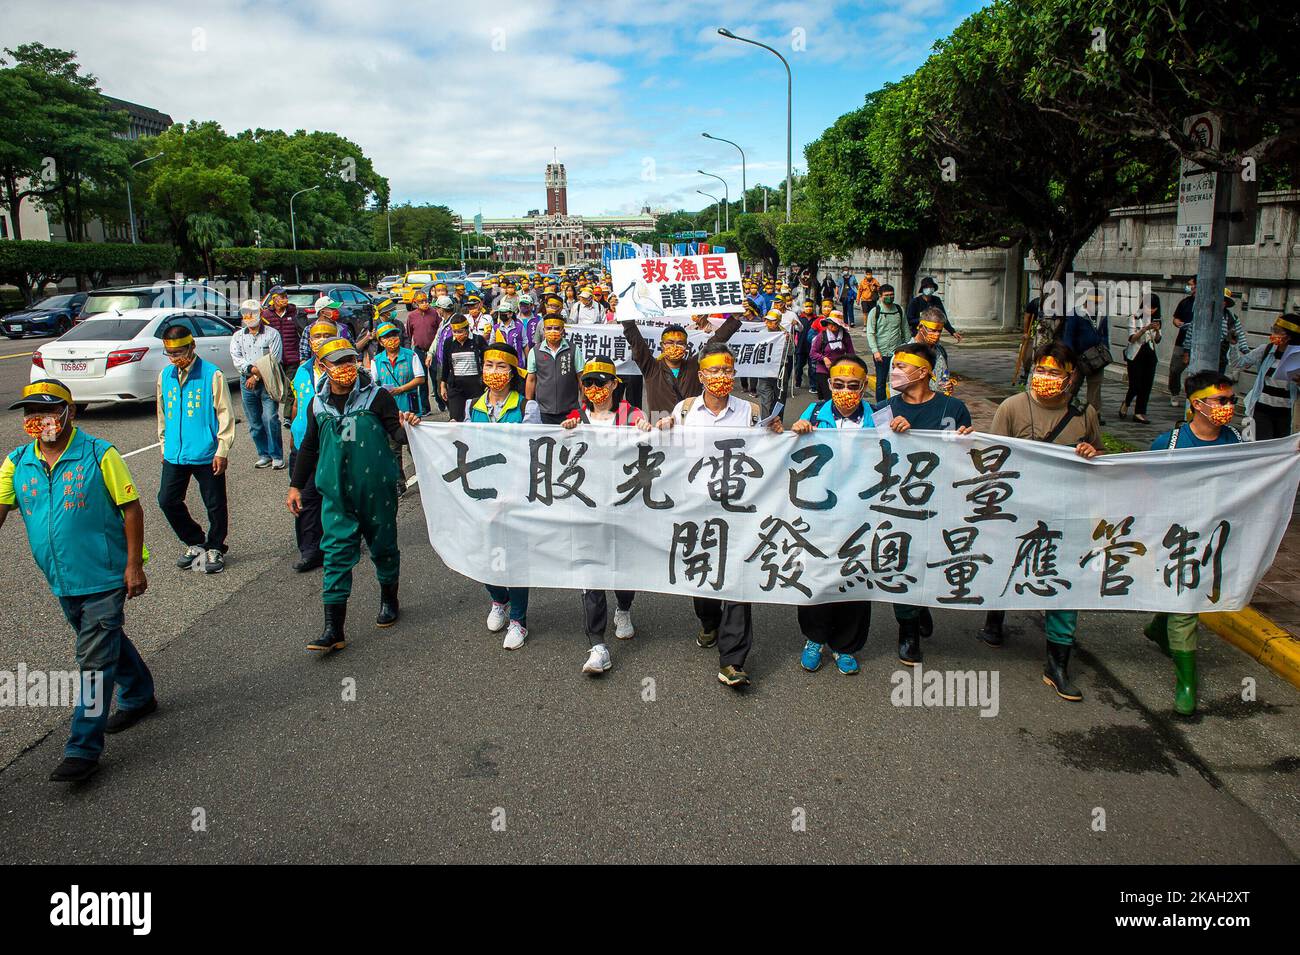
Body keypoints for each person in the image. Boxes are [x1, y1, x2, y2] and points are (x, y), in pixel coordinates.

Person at [0, 380, 154, 783]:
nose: (39, 421)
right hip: (62, 578)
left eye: (48, 412)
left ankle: (82, 747)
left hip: (104, 575)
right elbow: (0, 507)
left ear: (71, 413)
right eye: (31, 414)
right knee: (105, 641)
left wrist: (133, 564)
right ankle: (139, 694)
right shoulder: (17, 462)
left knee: (93, 661)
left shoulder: (100, 454)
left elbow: (132, 508)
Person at [656, 342, 783, 688]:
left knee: (738, 580)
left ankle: (733, 660)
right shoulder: (683, 411)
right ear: (700, 376)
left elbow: (768, 455)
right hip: (696, 509)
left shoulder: (751, 411)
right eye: (713, 371)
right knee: (705, 577)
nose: (721, 377)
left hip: (739, 509)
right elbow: (665, 452)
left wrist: (778, 434)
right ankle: (708, 621)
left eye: (727, 370)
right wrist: (655, 428)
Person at [980, 343, 1102, 701]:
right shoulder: (1012, 408)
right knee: (1006, 566)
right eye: (1041, 370)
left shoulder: (1084, 414)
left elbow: (1103, 460)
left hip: (1066, 513)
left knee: (1064, 581)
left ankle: (1057, 663)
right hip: (1016, 511)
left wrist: (1092, 453)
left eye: (1055, 372)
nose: (1046, 378)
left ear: (1070, 378)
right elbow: (993, 459)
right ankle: (994, 617)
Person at [288, 338, 417, 653]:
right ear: (324, 366)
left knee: (384, 547)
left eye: (350, 360)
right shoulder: (318, 404)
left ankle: (389, 599)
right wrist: (295, 484)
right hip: (336, 495)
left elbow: (395, 433)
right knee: (334, 555)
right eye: (338, 363)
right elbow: (308, 446)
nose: (346, 368)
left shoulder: (378, 397)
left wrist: (409, 427)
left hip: (376, 491)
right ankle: (334, 628)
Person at [1142, 371, 1244, 715]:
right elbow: (1141, 483)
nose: (1228, 407)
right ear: (1197, 404)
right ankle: (1186, 683)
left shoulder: (1237, 442)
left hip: (1216, 535)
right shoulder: (1168, 443)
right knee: (1186, 602)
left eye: (1232, 400)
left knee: (1185, 594)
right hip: (1176, 537)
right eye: (1221, 400)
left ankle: (1159, 626)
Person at [881, 342, 974, 665]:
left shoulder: (954, 408)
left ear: (923, 372)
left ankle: (922, 605)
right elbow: (874, 457)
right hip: (899, 504)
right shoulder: (885, 409)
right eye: (894, 366)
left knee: (931, 561)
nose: (895, 372)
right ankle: (907, 630)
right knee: (902, 563)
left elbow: (968, 458)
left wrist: (968, 441)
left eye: (902, 367)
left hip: (941, 501)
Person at [560, 355, 652, 675]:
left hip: (624, 506)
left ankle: (624, 608)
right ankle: (597, 644)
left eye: (601, 382)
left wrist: (644, 429)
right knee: (591, 574)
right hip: (586, 508)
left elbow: (649, 444)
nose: (594, 388)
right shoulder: (575, 416)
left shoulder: (631, 414)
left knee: (624, 569)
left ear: (614, 384)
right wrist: (566, 432)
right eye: (588, 382)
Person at [790, 355, 876, 675]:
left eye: (853, 386)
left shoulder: (880, 418)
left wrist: (904, 432)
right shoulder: (813, 413)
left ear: (864, 386)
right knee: (816, 574)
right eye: (838, 385)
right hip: (819, 513)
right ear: (829, 385)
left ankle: (846, 645)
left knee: (854, 577)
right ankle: (815, 638)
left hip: (862, 514)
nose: (845, 391)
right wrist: (795, 433)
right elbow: (788, 458)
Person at [468, 343, 540, 650]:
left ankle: (519, 620)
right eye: (488, 365)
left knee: (515, 558)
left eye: (501, 367)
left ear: (513, 373)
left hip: (514, 494)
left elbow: (530, 451)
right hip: (481, 493)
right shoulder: (472, 405)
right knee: (484, 553)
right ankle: (498, 599)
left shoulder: (527, 407)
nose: (493, 372)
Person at [156, 325, 234, 574]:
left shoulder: (212, 374)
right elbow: (162, 413)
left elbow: (225, 414)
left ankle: (215, 547)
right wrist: (163, 444)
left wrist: (222, 448)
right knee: (167, 500)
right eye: (170, 353)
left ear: (192, 347)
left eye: (180, 351)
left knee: (214, 502)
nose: (175, 357)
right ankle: (195, 541)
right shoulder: (165, 376)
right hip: (175, 453)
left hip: (206, 452)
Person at [287, 320, 340, 573]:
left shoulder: (346, 369)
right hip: (304, 445)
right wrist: (293, 431)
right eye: (316, 336)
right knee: (305, 497)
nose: (319, 340)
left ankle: (341, 540)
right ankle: (310, 550)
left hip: (335, 445)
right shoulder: (302, 371)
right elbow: (297, 403)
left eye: (325, 335)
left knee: (337, 496)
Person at [621, 312, 741, 420]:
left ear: (686, 346)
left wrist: (734, 318)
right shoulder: (651, 367)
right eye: (670, 343)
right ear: (662, 346)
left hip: (690, 427)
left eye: (680, 343)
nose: (675, 347)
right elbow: (636, 340)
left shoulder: (694, 365)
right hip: (661, 428)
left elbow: (714, 342)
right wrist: (626, 316)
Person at [372, 321, 426, 494]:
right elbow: (374, 384)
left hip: (410, 408)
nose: (392, 340)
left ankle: (427, 477)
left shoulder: (411, 356)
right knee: (393, 450)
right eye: (387, 337)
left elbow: (420, 378)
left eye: (394, 335)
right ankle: (399, 483)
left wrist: (401, 389)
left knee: (416, 447)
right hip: (390, 413)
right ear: (380, 342)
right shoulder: (377, 361)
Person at [230, 298, 285, 469]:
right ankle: (264, 454)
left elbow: (274, 359)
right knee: (254, 422)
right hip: (245, 381)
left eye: (252, 313)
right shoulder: (238, 336)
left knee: (271, 418)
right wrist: (250, 371)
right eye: (245, 314)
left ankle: (276, 455)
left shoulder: (272, 334)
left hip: (267, 380)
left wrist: (256, 377)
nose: (248, 317)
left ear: (260, 313)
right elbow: (236, 358)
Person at [1233, 315, 1300, 439]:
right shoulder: (1266, 349)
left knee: (1280, 449)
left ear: (1289, 336)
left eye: (1278, 331)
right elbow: (1238, 363)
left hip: (1286, 411)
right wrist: (1233, 345)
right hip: (1262, 408)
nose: (1274, 334)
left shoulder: (1297, 356)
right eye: (1273, 329)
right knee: (1262, 444)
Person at [525, 315, 583, 424]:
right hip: (543, 411)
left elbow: (581, 377)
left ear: (563, 330)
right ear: (543, 330)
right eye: (549, 328)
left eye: (556, 328)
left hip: (570, 410)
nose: (552, 331)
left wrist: (584, 404)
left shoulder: (574, 350)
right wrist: (529, 404)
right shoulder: (535, 351)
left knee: (569, 440)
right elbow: (531, 379)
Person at [1062, 295, 1110, 423]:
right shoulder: (1076, 314)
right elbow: (1069, 337)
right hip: (1079, 357)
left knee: (1095, 386)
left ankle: (1093, 415)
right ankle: (1064, 408)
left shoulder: (1101, 315)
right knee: (1073, 384)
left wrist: (1104, 348)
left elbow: (1105, 334)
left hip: (1097, 357)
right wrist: (1071, 357)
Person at [1118, 292, 1161, 423]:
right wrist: (1144, 329)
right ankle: (1126, 402)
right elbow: (1132, 339)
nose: (1151, 311)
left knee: (1147, 385)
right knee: (1135, 385)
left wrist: (1157, 330)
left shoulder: (1157, 319)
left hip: (1150, 353)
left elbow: (1158, 340)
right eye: (1149, 307)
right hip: (1136, 354)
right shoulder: (1134, 317)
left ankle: (1140, 412)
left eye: (1154, 308)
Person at [440, 314, 487, 422]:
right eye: (454, 332)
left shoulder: (478, 340)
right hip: (456, 387)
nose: (457, 335)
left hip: (476, 386)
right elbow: (446, 365)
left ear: (467, 329)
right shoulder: (448, 343)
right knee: (455, 419)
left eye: (460, 332)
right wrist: (443, 385)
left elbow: (486, 362)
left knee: (475, 418)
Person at [866, 283, 907, 403]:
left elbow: (905, 330)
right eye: (887, 295)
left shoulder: (899, 310)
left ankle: (897, 404)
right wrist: (875, 351)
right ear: (880, 296)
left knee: (898, 381)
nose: (890, 297)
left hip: (897, 353)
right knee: (881, 383)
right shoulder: (875, 312)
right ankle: (881, 406)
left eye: (892, 295)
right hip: (881, 353)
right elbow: (870, 333)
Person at [810, 309, 856, 400]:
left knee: (839, 397)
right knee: (828, 398)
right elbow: (813, 353)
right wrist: (824, 358)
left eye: (835, 323)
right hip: (824, 371)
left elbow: (851, 353)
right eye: (830, 323)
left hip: (840, 371)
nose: (832, 325)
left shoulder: (845, 336)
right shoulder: (821, 336)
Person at [261, 286, 301, 378]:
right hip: (274, 361)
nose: (285, 300)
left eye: (286, 297)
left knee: (290, 389)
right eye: (282, 297)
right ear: (274, 299)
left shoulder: (294, 312)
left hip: (293, 360)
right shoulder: (265, 315)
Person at [906, 277, 963, 341]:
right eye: (927, 287)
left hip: (934, 335)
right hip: (919, 334)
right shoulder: (915, 302)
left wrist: (952, 332)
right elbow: (909, 320)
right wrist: (923, 320)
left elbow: (943, 318)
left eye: (931, 287)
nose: (929, 289)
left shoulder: (936, 300)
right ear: (923, 289)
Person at [1168, 277, 1195, 405]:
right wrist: (1177, 322)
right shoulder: (1185, 302)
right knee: (1174, 369)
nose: (1188, 287)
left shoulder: (1204, 303)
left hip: (1197, 344)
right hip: (1181, 341)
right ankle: (1174, 393)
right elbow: (1175, 318)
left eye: (1190, 285)